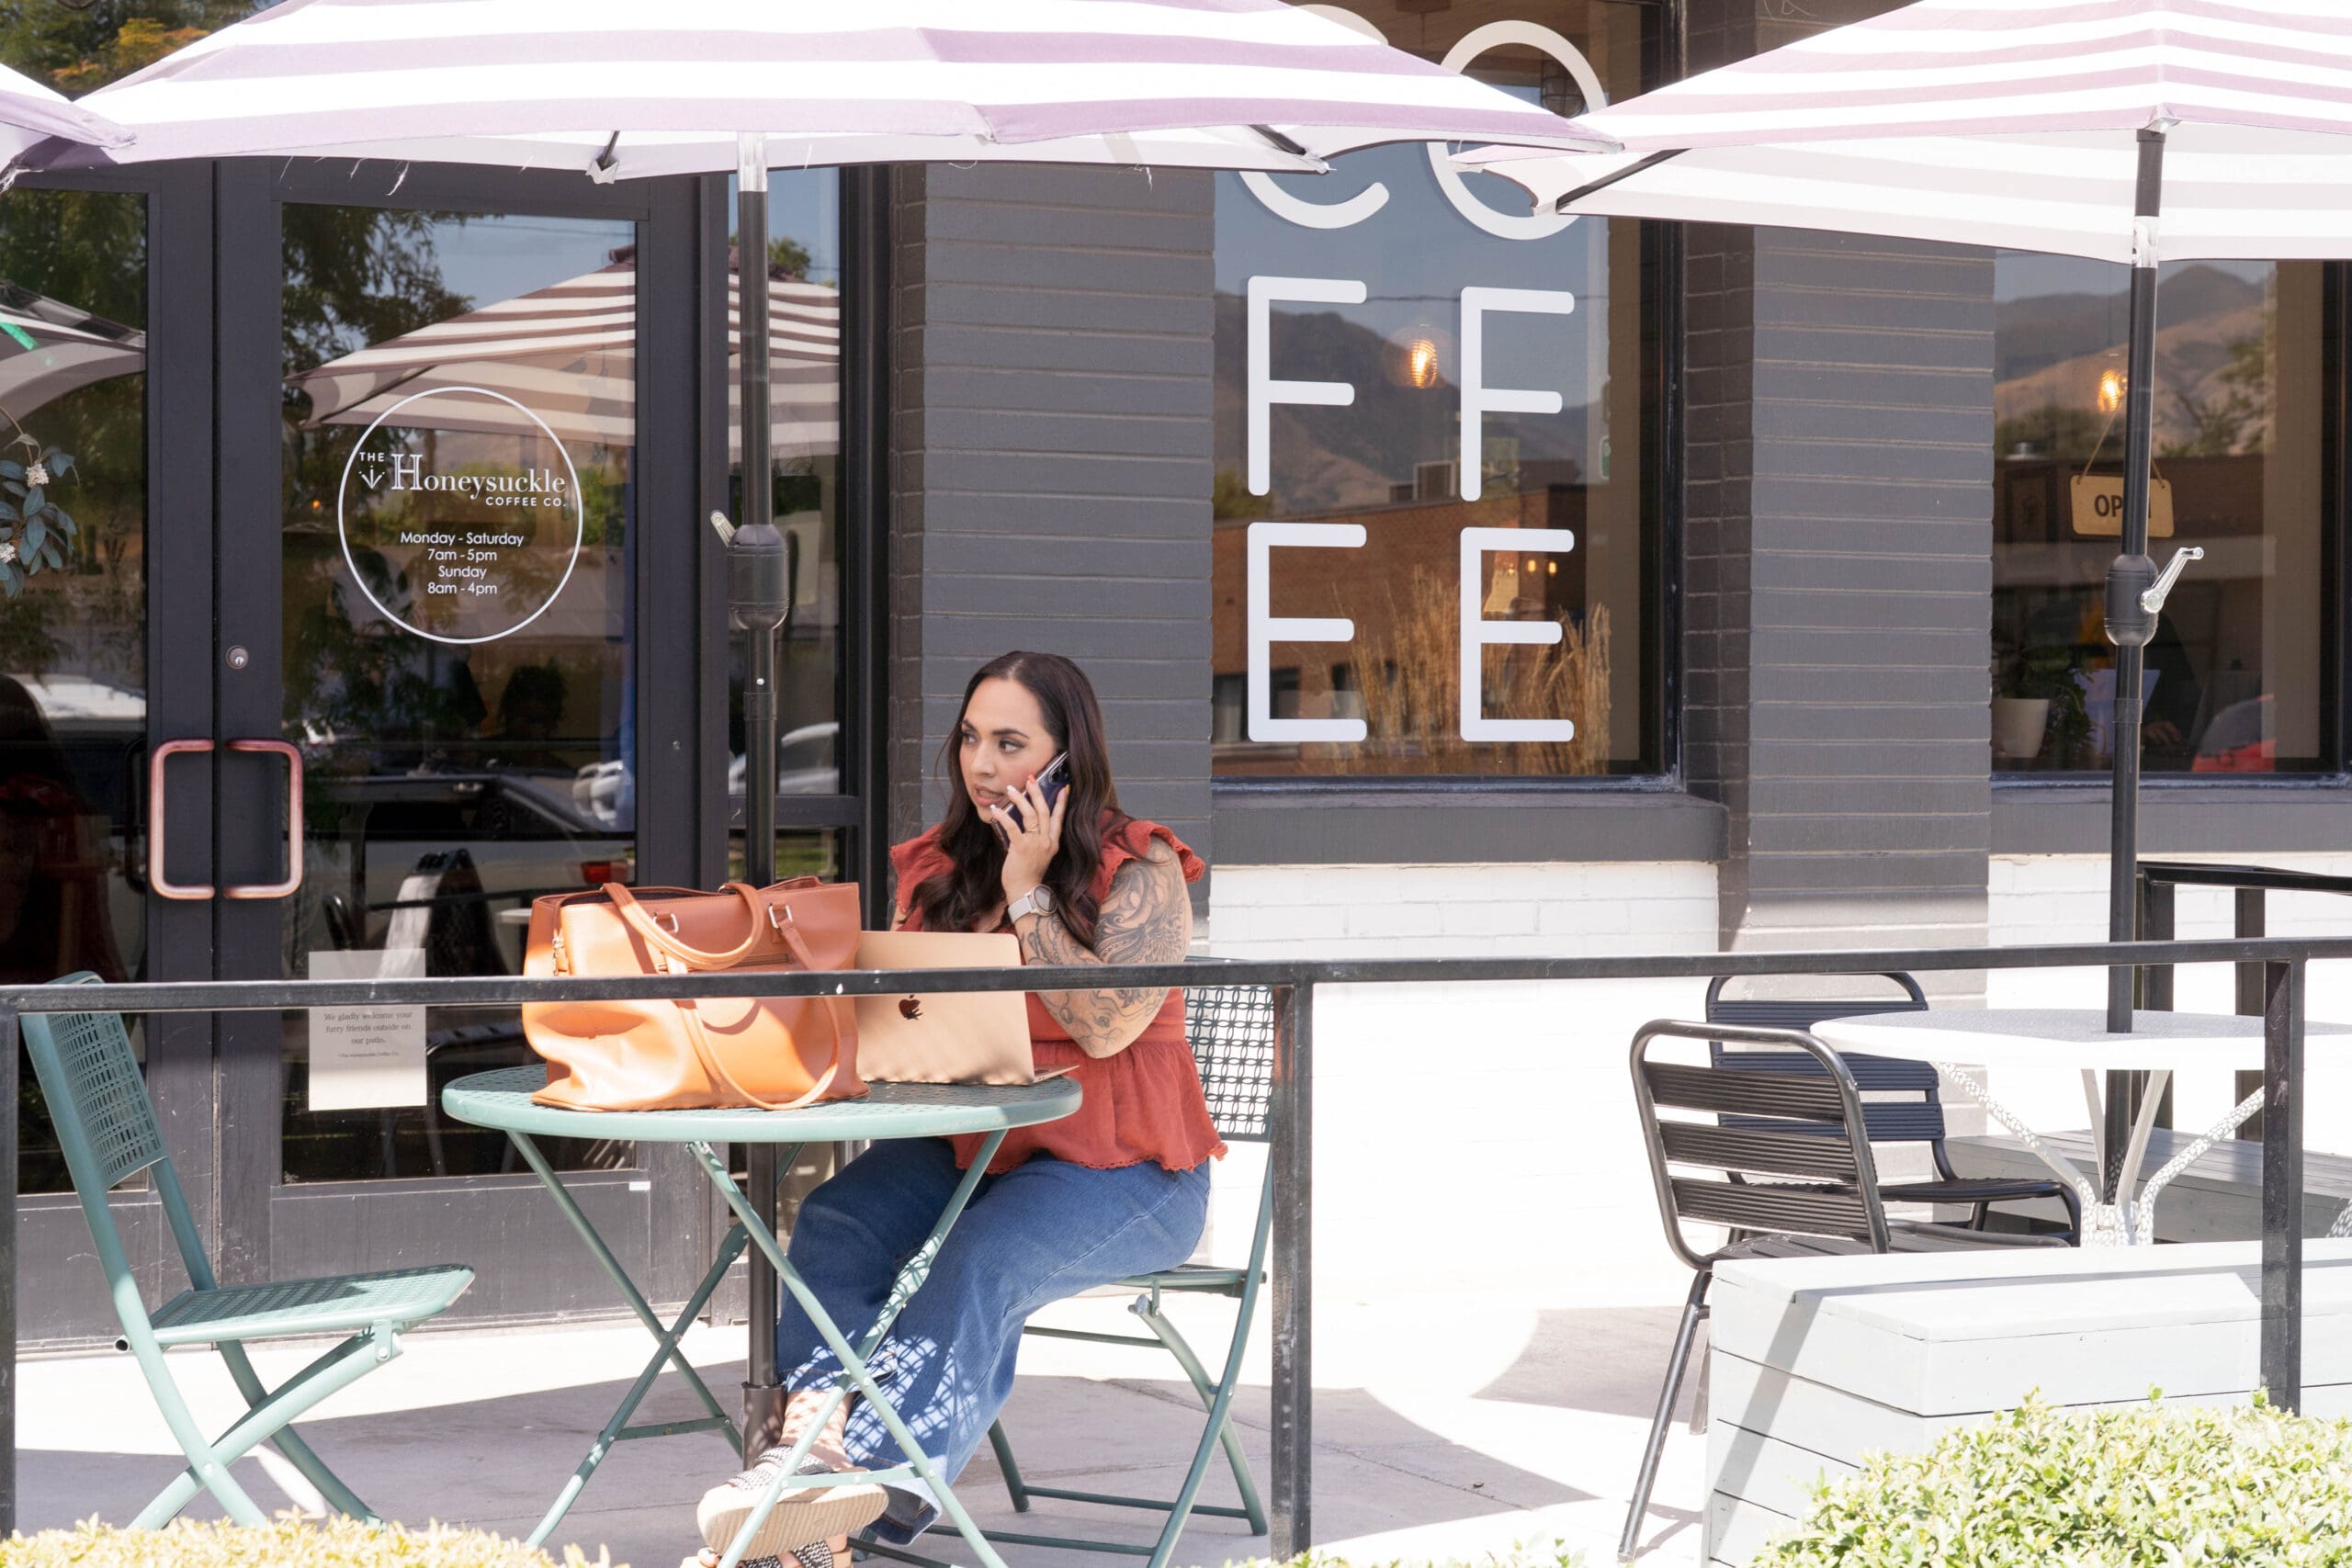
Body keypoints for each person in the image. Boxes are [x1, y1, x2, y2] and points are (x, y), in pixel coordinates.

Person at [688, 651, 1218, 1568]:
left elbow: (1100, 1026)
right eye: (970, 737)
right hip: (980, 1150)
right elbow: (915, 1030)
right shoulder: (937, 871)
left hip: (1129, 1173)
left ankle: (863, 1496)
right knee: (840, 1217)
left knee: (978, 1259)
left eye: (1009, 742)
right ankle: (811, 1446)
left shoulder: (1144, 867)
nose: (980, 763)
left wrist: (1027, 889)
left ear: (1066, 757)